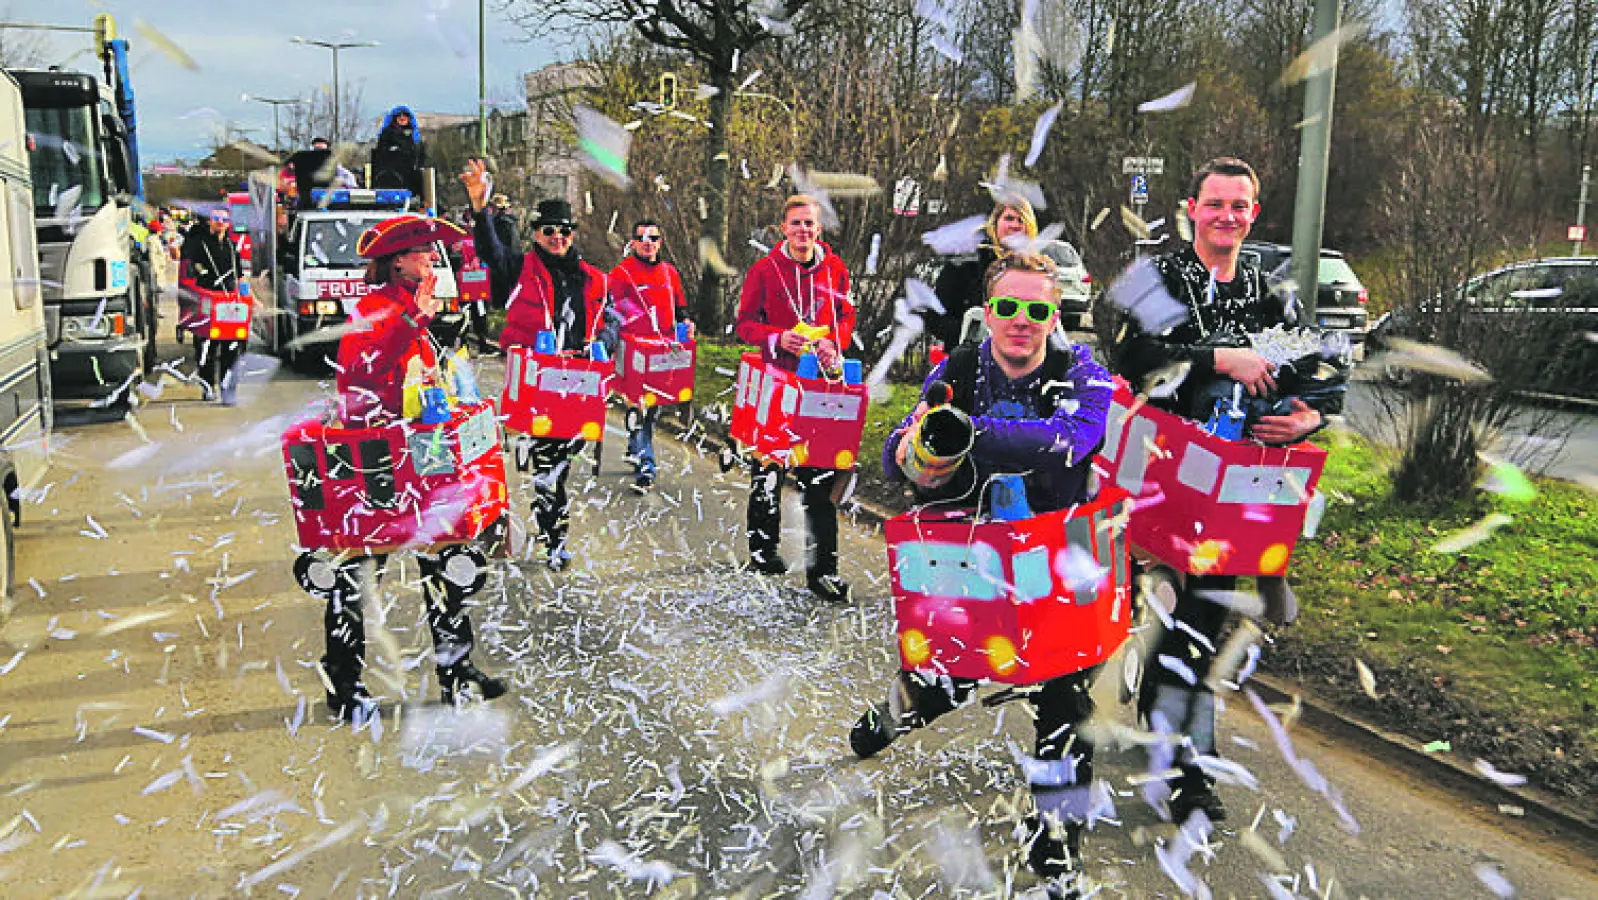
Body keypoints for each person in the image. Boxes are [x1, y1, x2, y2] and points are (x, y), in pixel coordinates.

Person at [848, 254, 1112, 900]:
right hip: (974, 555)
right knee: (946, 678)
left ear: (1057, 313)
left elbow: (1068, 439)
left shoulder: (1084, 373)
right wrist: (918, 457)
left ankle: (1058, 849)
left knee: (1065, 710)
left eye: (1038, 309)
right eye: (1009, 308)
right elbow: (893, 455)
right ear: (987, 311)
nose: (1022, 323)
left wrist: (972, 432)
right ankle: (894, 714)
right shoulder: (959, 369)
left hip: (1060, 555)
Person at [1110, 157, 1341, 825]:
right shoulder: (1155, 278)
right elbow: (1128, 356)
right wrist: (1218, 359)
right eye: (1215, 204)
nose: (1227, 217)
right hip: (1159, 475)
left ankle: (1173, 744)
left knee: (1198, 630)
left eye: (1239, 206)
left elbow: (1318, 374)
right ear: (1191, 208)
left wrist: (1309, 416)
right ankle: (1184, 771)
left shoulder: (1273, 296)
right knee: (1178, 624)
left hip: (1236, 493)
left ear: (1254, 214)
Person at [318, 213, 508, 723]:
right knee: (357, 571)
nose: (431, 259)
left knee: (444, 560)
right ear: (397, 260)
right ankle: (344, 684)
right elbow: (362, 377)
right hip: (376, 457)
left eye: (431, 251)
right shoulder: (374, 308)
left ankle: (457, 671)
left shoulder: (410, 306)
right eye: (423, 251)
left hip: (422, 451)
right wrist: (412, 324)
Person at [461, 160, 618, 571]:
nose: (557, 238)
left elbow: (613, 322)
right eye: (548, 231)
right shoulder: (520, 269)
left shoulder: (592, 279)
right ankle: (555, 539)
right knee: (552, 469)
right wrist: (480, 210)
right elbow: (491, 252)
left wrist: (602, 343)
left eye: (564, 231)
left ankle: (544, 490)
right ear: (536, 235)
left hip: (578, 381)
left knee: (565, 457)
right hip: (536, 381)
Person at [734, 195, 856, 603]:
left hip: (818, 383)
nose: (803, 231)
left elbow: (845, 314)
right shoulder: (765, 270)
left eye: (810, 224)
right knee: (767, 471)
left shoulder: (834, 269)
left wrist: (834, 344)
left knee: (818, 477)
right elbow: (745, 324)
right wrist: (776, 337)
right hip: (776, 381)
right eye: (796, 224)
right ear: (783, 229)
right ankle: (763, 549)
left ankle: (823, 571)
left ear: (819, 229)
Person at [609, 218, 693, 492]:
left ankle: (636, 446)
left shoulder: (670, 273)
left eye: (654, 238)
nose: (648, 243)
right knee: (638, 404)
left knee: (650, 408)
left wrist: (686, 323)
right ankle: (647, 467)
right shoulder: (622, 273)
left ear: (660, 242)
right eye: (642, 238)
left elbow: (680, 307)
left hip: (662, 351)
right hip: (633, 350)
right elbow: (611, 313)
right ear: (633, 242)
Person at [925, 198, 1039, 349]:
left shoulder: (1036, 270)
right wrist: (972, 332)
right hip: (969, 359)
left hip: (1020, 360)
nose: (1015, 225)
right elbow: (935, 318)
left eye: (1021, 220)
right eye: (1009, 218)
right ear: (995, 222)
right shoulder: (965, 263)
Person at [178, 208, 244, 404]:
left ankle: (228, 390)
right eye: (216, 219)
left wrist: (249, 297)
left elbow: (239, 276)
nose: (221, 222)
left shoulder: (232, 247)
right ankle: (207, 386)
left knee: (231, 348)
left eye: (224, 219)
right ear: (210, 222)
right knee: (206, 346)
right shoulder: (198, 244)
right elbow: (188, 268)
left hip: (229, 302)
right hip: (206, 301)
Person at [371, 106, 427, 196]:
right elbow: (381, 152)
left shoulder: (414, 135)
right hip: (393, 171)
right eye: (399, 116)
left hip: (412, 171)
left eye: (405, 115)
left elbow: (420, 154)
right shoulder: (387, 132)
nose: (402, 118)